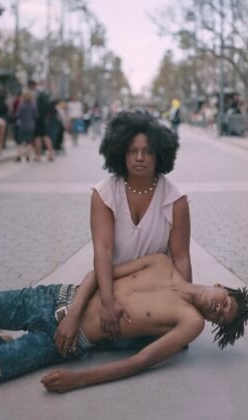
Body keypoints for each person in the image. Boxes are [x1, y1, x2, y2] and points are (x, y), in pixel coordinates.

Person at [0, 253, 248, 391]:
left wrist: (77, 380)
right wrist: (74, 314)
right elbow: (98, 272)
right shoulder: (161, 263)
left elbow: (140, 362)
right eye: (224, 301)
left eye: (219, 316)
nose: (217, 308)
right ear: (220, 286)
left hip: (61, 343)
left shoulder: (190, 322)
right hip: (52, 298)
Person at [92, 111, 191, 342]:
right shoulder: (104, 194)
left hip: (155, 294)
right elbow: (102, 252)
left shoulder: (175, 199)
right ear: (120, 153)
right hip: (112, 287)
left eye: (147, 152)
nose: (139, 157)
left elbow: (181, 258)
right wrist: (107, 303)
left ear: (159, 156)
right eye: (132, 151)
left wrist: (183, 308)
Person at [14, 91, 37, 162]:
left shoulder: (21, 106)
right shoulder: (33, 106)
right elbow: (36, 115)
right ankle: (27, 156)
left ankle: (19, 155)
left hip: (22, 125)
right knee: (29, 141)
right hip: (31, 125)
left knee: (20, 141)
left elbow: (18, 115)